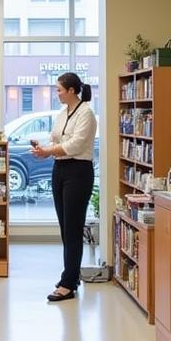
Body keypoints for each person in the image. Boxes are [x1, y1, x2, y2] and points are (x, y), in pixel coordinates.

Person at [32, 72, 97, 303]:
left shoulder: (86, 113)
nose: (56, 93)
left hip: (78, 172)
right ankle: (70, 276)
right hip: (59, 170)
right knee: (65, 228)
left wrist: (51, 150)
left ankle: (68, 283)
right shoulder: (62, 113)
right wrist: (44, 151)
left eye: (59, 89)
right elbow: (58, 141)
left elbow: (76, 145)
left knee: (73, 228)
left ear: (71, 90)